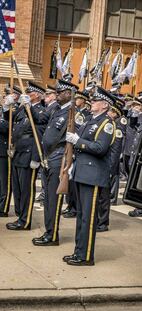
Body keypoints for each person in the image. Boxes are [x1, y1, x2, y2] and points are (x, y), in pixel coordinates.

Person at [63, 86, 115, 266]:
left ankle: (85, 256)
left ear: (105, 105)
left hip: (92, 175)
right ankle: (78, 252)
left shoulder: (106, 124)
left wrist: (79, 141)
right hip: (82, 172)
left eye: (95, 101)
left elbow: (100, 148)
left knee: (88, 217)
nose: (91, 102)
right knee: (81, 216)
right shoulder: (90, 120)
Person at [32, 79, 78, 246]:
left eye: (60, 92)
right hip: (49, 158)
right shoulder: (56, 110)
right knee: (48, 200)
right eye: (56, 92)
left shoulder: (73, 113)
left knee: (54, 199)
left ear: (68, 94)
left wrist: (69, 161)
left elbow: (74, 139)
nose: (56, 95)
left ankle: (52, 235)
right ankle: (48, 231)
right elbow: (39, 119)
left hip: (59, 159)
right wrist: (28, 105)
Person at [6, 81, 46, 230]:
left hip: (29, 154)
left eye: (29, 93)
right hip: (18, 151)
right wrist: (6, 106)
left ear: (36, 96)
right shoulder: (23, 109)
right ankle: (19, 216)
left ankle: (25, 220)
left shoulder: (41, 112)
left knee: (26, 190)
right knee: (17, 189)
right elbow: (9, 119)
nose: (26, 95)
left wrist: (36, 158)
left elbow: (38, 136)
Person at [97, 96, 125, 231]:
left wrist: (109, 171)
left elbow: (115, 152)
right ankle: (98, 220)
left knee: (104, 197)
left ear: (115, 113)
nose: (108, 113)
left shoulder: (116, 127)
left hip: (108, 167)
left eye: (110, 111)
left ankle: (102, 223)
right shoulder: (107, 124)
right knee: (99, 196)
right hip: (101, 166)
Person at [62, 90, 92, 219]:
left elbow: (80, 133)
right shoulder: (76, 112)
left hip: (78, 147)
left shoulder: (85, 114)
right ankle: (70, 205)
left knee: (74, 183)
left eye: (79, 99)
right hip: (72, 147)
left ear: (84, 100)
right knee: (69, 180)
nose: (76, 101)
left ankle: (73, 207)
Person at [36, 85, 59, 204]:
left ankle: (46, 193)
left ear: (54, 96)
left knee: (47, 170)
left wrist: (29, 107)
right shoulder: (48, 107)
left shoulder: (55, 107)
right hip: (44, 142)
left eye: (49, 95)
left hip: (50, 145)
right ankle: (44, 193)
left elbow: (42, 119)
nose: (46, 96)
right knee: (44, 169)